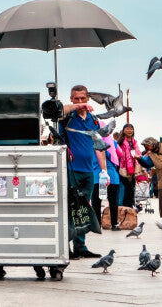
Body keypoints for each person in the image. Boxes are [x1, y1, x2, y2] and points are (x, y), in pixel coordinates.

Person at [60, 84, 106, 259]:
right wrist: (77, 107)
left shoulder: (93, 120)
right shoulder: (67, 116)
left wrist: (103, 171)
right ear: (71, 98)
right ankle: (66, 247)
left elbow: (98, 147)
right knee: (70, 207)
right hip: (71, 169)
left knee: (84, 208)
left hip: (88, 171)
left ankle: (81, 246)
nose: (79, 101)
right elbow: (59, 110)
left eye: (82, 98)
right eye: (76, 98)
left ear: (88, 98)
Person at [91, 127, 122, 231]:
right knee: (113, 201)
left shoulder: (92, 142)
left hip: (97, 175)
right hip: (112, 176)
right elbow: (120, 154)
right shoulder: (112, 143)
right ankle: (114, 224)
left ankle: (97, 225)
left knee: (96, 202)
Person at [118, 123, 141, 209]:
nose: (129, 130)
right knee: (128, 188)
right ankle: (125, 207)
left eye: (131, 128)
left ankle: (129, 207)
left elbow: (138, 154)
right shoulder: (121, 141)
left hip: (133, 168)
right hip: (123, 168)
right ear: (123, 131)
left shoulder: (135, 142)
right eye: (127, 128)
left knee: (131, 189)